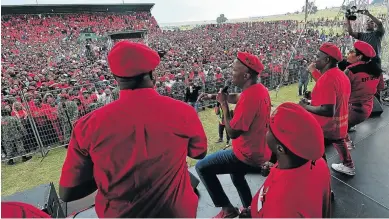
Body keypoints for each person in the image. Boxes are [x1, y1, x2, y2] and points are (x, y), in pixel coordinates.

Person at [58, 41, 208, 218]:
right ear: (152, 74)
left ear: (116, 78)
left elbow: (68, 193)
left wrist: (107, 177)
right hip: (177, 213)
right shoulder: (184, 112)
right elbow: (199, 153)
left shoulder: (87, 125)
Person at [196, 52, 272, 218]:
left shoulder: (250, 97)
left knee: (201, 167)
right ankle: (250, 209)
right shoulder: (258, 90)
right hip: (258, 150)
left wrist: (223, 104)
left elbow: (232, 132)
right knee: (236, 176)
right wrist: (214, 97)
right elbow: (238, 97)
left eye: (234, 70)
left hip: (247, 155)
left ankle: (227, 209)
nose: (231, 73)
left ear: (246, 75)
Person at [241, 102, 330, 218]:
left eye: (269, 129)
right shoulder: (318, 163)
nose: (266, 131)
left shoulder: (282, 208)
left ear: (280, 149)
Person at [301, 42, 354, 176]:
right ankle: (348, 165)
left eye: (318, 56)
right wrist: (312, 100)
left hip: (326, 127)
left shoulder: (327, 79)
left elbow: (328, 110)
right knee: (339, 141)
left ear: (327, 60)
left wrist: (305, 106)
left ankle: (322, 179)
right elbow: (334, 99)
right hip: (339, 125)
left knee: (317, 152)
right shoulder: (341, 75)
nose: (315, 59)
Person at [343, 41, 384, 149]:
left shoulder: (350, 71)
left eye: (352, 51)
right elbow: (380, 88)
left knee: (331, 120)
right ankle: (349, 126)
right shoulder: (377, 71)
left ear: (359, 56)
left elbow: (338, 90)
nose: (349, 53)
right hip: (367, 109)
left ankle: (347, 144)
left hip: (351, 111)